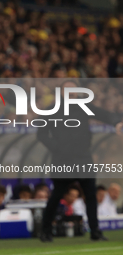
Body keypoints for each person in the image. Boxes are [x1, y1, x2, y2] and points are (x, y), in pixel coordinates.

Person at [37, 80, 123, 242]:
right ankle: (46, 231)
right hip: (62, 160)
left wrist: (116, 122)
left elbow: (103, 114)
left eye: (74, 90)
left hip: (83, 158)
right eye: (68, 90)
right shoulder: (51, 110)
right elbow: (41, 134)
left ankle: (95, 232)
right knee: (56, 196)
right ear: (61, 93)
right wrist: (57, 147)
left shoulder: (84, 107)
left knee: (91, 196)